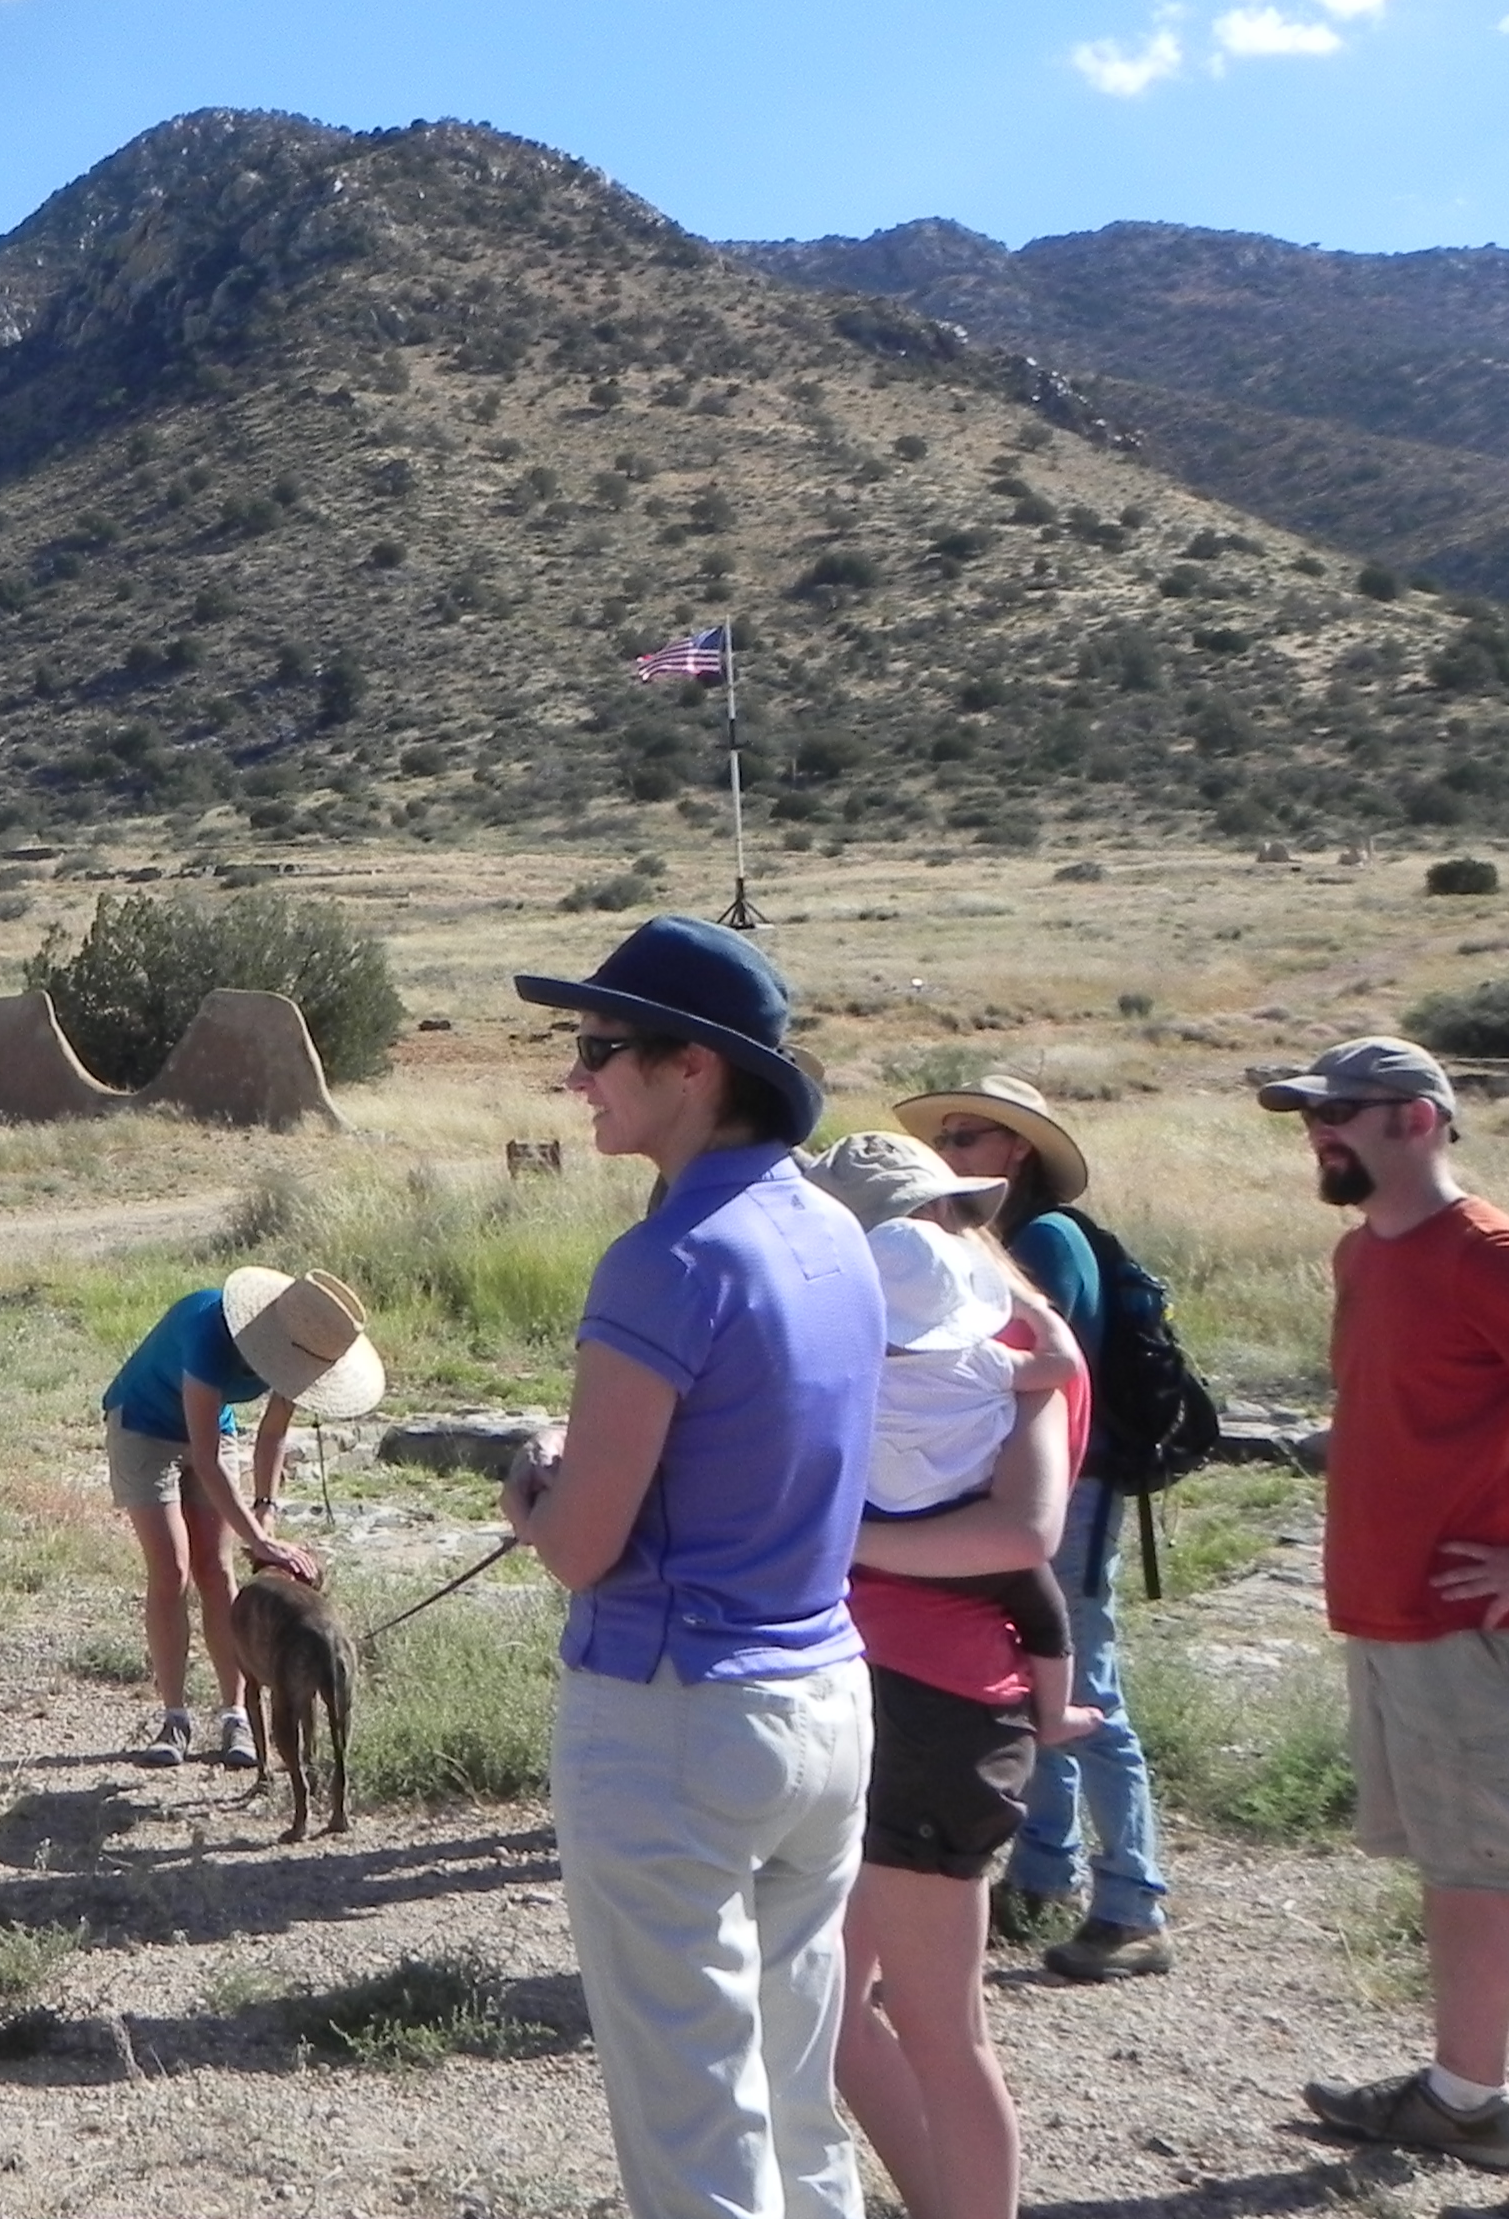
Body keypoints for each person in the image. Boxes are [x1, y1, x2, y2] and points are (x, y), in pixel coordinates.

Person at [500, 917, 878, 2219]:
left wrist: (532, 1499)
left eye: (601, 1049)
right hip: (825, 1692)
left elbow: (586, 1547)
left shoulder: (665, 1262)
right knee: (796, 2090)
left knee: (696, 2128)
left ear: (694, 1069)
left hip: (676, 1719)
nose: (577, 1077)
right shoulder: (837, 1237)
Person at [1264, 1040, 1509, 2219]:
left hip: (1505, 1640)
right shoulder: (1365, 1251)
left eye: (1339, 1112)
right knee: (1465, 1874)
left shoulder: (1487, 1253)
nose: (1316, 1132)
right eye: (1309, 1114)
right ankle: (1464, 2100)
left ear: (1421, 1121)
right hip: (1408, 1626)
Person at [827, 1180, 1090, 2219]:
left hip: (934, 1704)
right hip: (889, 1687)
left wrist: (844, 1541)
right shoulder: (1003, 1358)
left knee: (935, 2025)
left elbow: (1024, 1534)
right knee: (832, 2011)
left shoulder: (976, 1362)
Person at [895, 1072, 1175, 1981]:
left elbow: (1042, 1371)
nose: (954, 1152)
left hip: (1066, 1488)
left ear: (1018, 1150)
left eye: (970, 1138)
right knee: (1043, 1677)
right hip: (1042, 1486)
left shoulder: (1044, 1240)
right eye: (949, 1138)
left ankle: (1132, 1902)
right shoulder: (1009, 1237)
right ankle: (1044, 1871)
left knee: (1089, 1686)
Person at [802, 1133, 1099, 1750]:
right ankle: (1058, 1713)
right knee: (1046, 1612)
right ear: (943, 1210)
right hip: (948, 1684)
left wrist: (834, 1541)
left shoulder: (828, 1346)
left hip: (835, 1656)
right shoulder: (996, 1354)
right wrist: (1042, 1313)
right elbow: (1022, 1537)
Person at [98, 1268, 379, 1770]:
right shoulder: (210, 1329)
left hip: (210, 1426)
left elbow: (270, 1437)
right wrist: (263, 1545)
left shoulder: (304, 1352)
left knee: (217, 1569)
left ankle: (235, 1716)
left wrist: (264, 1514)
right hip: (143, 1425)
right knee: (173, 1570)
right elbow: (204, 1460)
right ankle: (175, 1718)